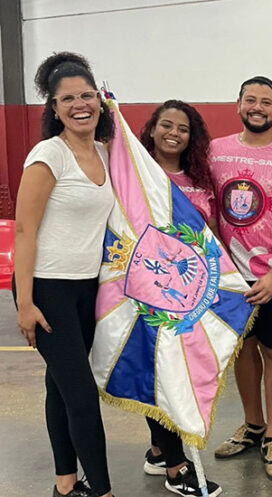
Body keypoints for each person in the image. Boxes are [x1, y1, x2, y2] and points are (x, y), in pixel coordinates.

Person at [14, 52, 116, 497]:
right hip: (49, 291)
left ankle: (64, 484)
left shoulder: (105, 152)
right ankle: (104, 491)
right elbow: (23, 232)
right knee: (81, 396)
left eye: (87, 95)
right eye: (68, 98)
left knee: (59, 386)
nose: (80, 104)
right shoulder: (47, 155)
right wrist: (24, 303)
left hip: (88, 289)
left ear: (100, 100)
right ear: (53, 108)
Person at [210, 76, 272, 482]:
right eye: (251, 100)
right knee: (242, 352)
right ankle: (252, 425)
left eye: (266, 102)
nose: (258, 107)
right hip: (228, 277)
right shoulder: (214, 151)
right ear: (238, 105)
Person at [138, 100, 222, 496]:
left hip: (190, 297)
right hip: (146, 294)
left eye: (183, 128)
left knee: (179, 377)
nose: (174, 133)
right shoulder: (135, 176)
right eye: (166, 125)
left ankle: (159, 450)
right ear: (152, 129)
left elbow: (210, 241)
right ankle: (176, 466)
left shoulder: (200, 180)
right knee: (162, 378)